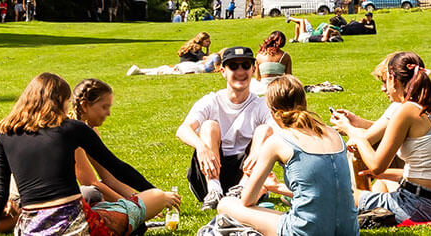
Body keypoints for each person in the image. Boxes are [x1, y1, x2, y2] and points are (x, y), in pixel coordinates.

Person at [0, 73, 156, 235]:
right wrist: (153, 190)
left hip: (30, 229)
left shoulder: (4, 137)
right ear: (59, 101)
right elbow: (117, 167)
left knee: (97, 201)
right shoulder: (71, 128)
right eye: (66, 101)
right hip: (75, 226)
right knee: (157, 199)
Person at [329, 52, 431, 224]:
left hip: (417, 206)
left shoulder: (406, 110)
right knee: (381, 184)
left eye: (385, 81)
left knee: (334, 194)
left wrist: (352, 132)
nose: (384, 88)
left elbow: (376, 165)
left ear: (394, 80)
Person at [219, 76, 358, 236]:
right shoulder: (334, 133)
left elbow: (247, 200)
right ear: (304, 103)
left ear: (273, 112)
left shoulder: (278, 141)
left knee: (226, 204)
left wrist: (258, 184)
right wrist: (276, 188)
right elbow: (323, 191)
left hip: (307, 231)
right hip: (348, 229)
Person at [177, 46, 272, 210]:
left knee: (265, 130)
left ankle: (243, 188)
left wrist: (260, 152)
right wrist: (201, 147)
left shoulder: (260, 105)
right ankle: (214, 190)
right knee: (209, 126)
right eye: (233, 66)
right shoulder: (211, 100)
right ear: (222, 71)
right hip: (208, 173)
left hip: (246, 173)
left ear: (253, 69)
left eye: (245, 65)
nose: (240, 71)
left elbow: (279, 132)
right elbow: (183, 130)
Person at [68, 78, 148, 203]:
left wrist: (139, 198)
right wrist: (133, 207)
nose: (109, 113)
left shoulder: (91, 130)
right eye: (104, 107)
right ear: (84, 106)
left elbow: (109, 178)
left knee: (104, 190)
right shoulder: (71, 133)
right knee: (94, 193)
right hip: (58, 199)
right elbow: (89, 182)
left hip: (79, 194)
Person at [127, 31, 215, 75]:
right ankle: (139, 71)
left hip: (181, 66)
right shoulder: (197, 47)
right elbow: (204, 59)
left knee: (160, 70)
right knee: (160, 71)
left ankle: (140, 71)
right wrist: (211, 53)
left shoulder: (192, 44)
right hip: (186, 67)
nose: (208, 43)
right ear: (202, 40)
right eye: (207, 41)